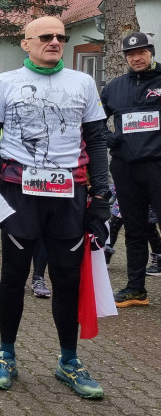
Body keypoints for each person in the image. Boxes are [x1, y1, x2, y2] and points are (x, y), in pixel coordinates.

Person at [0, 16, 109, 399]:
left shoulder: (83, 82)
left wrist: (101, 196)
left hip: (69, 194)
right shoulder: (3, 83)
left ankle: (69, 360)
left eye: (61, 37)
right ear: (26, 43)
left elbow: (97, 140)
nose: (55, 41)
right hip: (21, 193)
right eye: (46, 36)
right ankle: (6, 354)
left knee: (67, 279)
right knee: (13, 277)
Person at [100, 31, 161, 307]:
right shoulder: (114, 87)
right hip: (125, 168)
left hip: (158, 166)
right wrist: (107, 137)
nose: (137, 58)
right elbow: (95, 121)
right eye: (131, 54)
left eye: (142, 52)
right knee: (135, 230)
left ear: (151, 53)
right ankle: (136, 289)